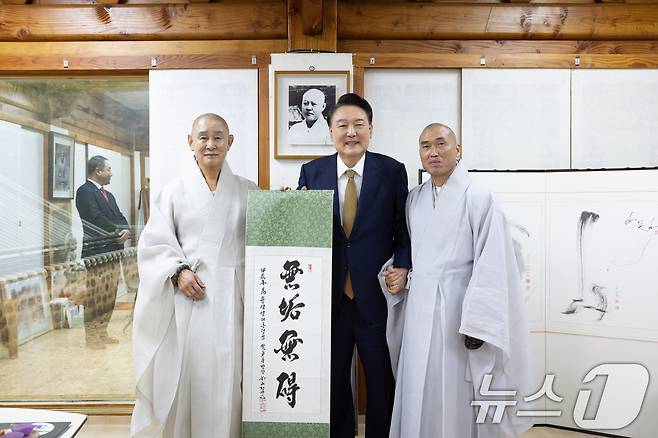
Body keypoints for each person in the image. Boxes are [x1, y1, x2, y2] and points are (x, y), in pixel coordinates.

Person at [382, 123, 533, 438]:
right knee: (418, 385)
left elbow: (493, 262)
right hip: (419, 307)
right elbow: (412, 253)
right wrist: (401, 272)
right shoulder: (414, 199)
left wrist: (480, 322)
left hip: (459, 310)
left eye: (441, 144)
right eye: (425, 146)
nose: (433, 152)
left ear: (458, 150)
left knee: (455, 390)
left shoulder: (479, 196)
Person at [131, 113, 257, 438]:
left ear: (230, 142)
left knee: (232, 374)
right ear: (191, 142)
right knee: (190, 374)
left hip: (235, 298)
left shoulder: (249, 190)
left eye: (218, 137)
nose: (210, 144)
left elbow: (266, 239)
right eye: (203, 137)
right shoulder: (173, 192)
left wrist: (289, 204)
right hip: (190, 296)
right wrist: (178, 271)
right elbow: (153, 244)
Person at [298, 93, 411, 438]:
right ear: (330, 131)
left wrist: (403, 266)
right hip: (328, 298)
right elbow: (304, 232)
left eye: (358, 124)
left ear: (370, 129)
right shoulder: (312, 172)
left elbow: (404, 229)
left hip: (376, 294)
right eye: (342, 125)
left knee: (380, 379)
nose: (351, 132)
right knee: (332, 381)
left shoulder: (391, 171)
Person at [75, 155, 129, 349]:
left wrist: (126, 230)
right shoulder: (84, 192)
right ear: (98, 171)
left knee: (109, 293)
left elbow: (120, 216)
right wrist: (117, 232)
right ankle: (91, 336)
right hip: (97, 253)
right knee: (95, 294)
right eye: (108, 169)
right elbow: (95, 218)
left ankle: (102, 331)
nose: (111, 173)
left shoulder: (109, 195)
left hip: (113, 251)